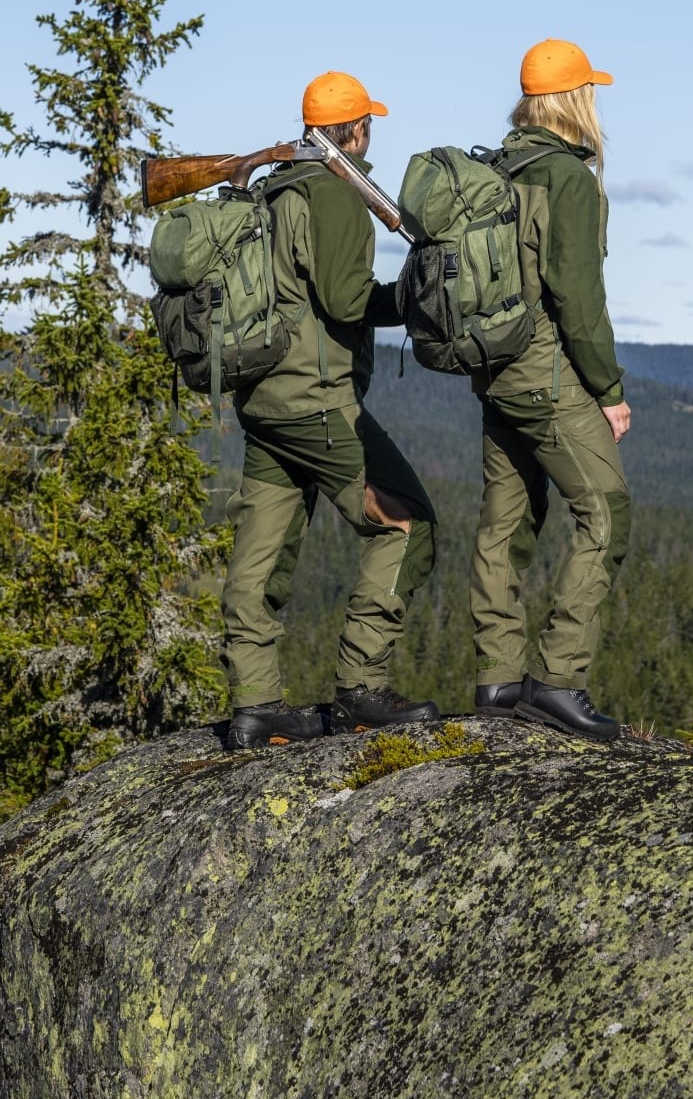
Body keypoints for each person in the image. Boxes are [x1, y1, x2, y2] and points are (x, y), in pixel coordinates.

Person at [220, 71, 440, 751]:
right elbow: (347, 302)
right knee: (406, 522)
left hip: (262, 397)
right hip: (318, 403)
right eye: (368, 122)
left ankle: (255, 705)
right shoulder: (337, 196)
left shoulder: (272, 187)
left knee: (260, 554)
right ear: (355, 129)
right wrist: (409, 296)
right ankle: (360, 691)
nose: (370, 131)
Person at [469, 39, 633, 740]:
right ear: (576, 99)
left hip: (493, 370)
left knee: (505, 518)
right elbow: (578, 296)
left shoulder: (494, 168)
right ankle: (559, 680)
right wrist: (608, 388)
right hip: (546, 372)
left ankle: (498, 678)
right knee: (606, 512)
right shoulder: (566, 178)